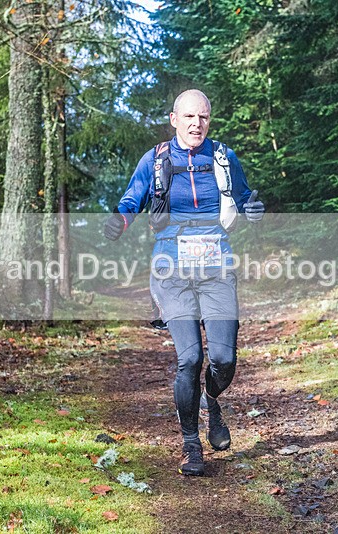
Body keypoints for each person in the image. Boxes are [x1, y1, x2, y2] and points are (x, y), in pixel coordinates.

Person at [103, 89, 264, 476]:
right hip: (171, 269)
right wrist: (120, 220)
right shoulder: (156, 159)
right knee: (189, 358)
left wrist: (254, 209)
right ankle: (191, 445)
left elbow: (244, 199)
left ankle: (211, 398)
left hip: (216, 267)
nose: (197, 124)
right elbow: (132, 199)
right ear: (174, 119)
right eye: (189, 117)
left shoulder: (224, 158)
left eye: (204, 117)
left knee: (223, 360)